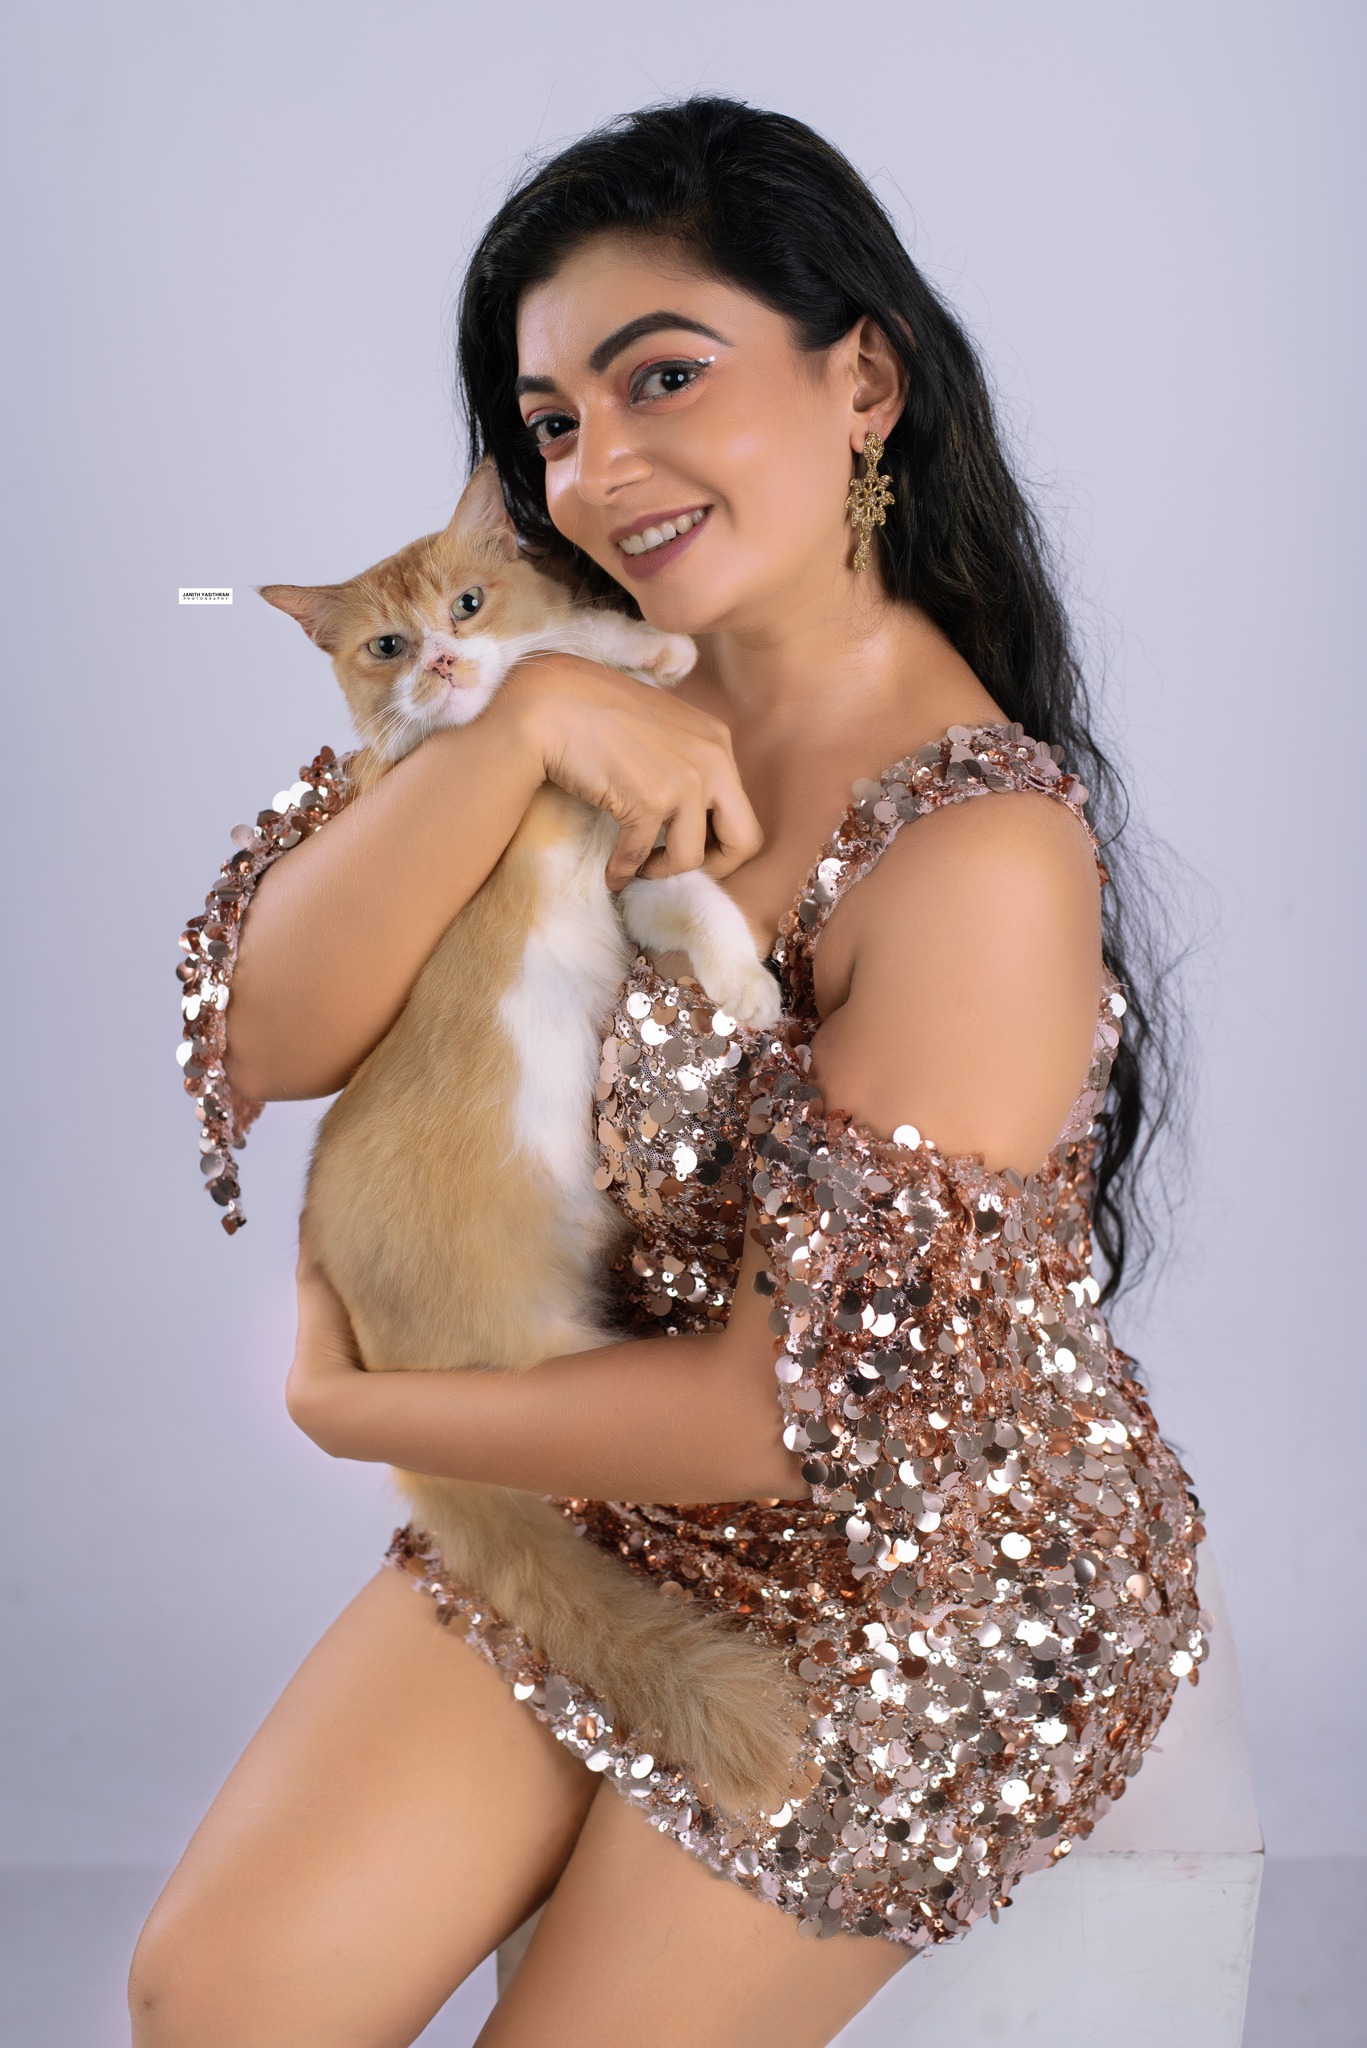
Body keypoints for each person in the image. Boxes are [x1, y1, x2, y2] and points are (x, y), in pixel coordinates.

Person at [129, 96, 1205, 2048]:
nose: (597, 469)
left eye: (663, 377)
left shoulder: (976, 851)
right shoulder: (569, 669)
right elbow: (261, 1030)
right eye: (552, 421)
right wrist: (520, 725)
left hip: (919, 1570)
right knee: (221, 2000)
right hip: (619, 1475)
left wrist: (358, 1405)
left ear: (863, 381)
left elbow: (774, 1420)